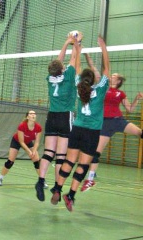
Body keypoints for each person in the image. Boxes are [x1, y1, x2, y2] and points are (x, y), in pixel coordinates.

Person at [50, 36, 110, 211]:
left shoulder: (78, 88)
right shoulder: (100, 90)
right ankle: (71, 194)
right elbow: (107, 68)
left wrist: (76, 45)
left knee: (69, 160)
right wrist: (104, 48)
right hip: (92, 132)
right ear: (93, 81)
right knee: (83, 165)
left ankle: (58, 187)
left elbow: (76, 66)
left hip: (77, 129)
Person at [80, 55, 143, 192]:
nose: (111, 76)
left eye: (114, 75)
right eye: (111, 75)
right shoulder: (103, 87)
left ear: (118, 80)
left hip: (119, 121)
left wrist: (137, 99)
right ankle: (90, 180)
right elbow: (94, 69)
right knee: (96, 153)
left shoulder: (121, 93)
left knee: (140, 132)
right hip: (104, 123)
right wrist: (87, 56)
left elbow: (130, 109)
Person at [35, 35, 78, 202]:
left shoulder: (50, 79)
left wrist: (66, 42)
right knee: (61, 156)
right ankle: (57, 187)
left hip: (51, 117)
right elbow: (73, 59)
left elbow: (58, 63)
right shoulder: (68, 77)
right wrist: (76, 43)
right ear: (62, 69)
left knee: (47, 153)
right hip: (65, 116)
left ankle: (40, 181)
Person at [0, 110, 43, 186]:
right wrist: (29, 152)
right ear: (27, 117)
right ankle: (0, 178)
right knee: (10, 162)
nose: (33, 115)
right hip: (17, 141)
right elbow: (21, 142)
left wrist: (33, 151)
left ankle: (42, 181)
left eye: (34, 114)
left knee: (37, 161)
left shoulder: (38, 127)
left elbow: (37, 142)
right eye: (31, 114)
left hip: (28, 142)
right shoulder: (22, 126)